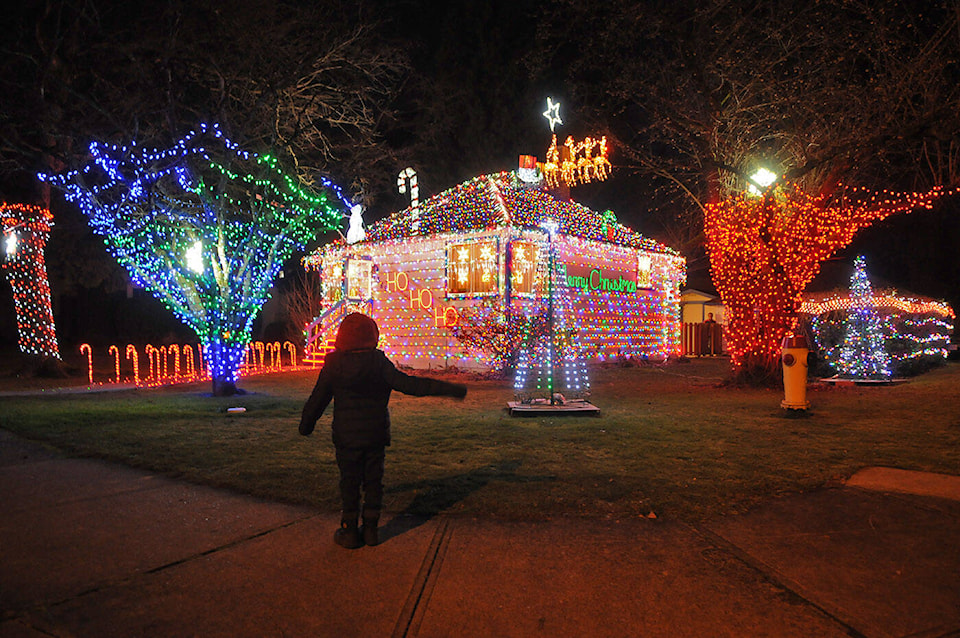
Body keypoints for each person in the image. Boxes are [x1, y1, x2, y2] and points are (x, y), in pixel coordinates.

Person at [298, 313, 467, 549]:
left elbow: (319, 398)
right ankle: (371, 530)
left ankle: (349, 531)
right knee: (373, 482)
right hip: (375, 434)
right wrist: (450, 389)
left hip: (346, 436)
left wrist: (306, 425)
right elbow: (410, 385)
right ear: (372, 336)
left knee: (349, 482)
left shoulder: (334, 363)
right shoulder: (378, 363)